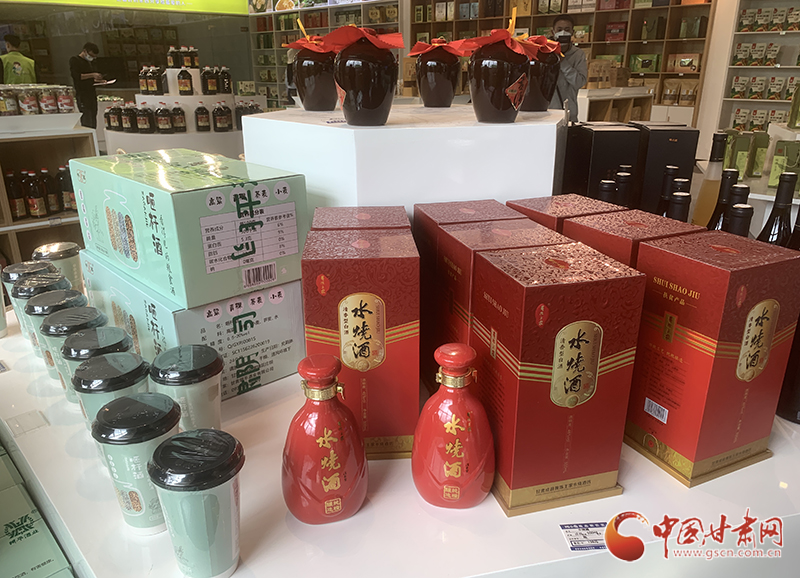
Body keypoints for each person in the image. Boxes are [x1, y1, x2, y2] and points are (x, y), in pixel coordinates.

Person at [549, 14, 588, 123]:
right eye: (559, 29)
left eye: (567, 30)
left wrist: (563, 62)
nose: (563, 33)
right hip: (547, 114)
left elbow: (579, 82)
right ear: (553, 32)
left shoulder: (578, 54)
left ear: (572, 32)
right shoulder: (545, 52)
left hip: (569, 114)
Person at [69, 43, 102, 129]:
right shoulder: (75, 60)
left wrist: (98, 80)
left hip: (91, 93)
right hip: (82, 94)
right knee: (86, 118)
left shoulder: (90, 63)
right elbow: (77, 76)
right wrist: (92, 75)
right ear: (84, 51)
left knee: (93, 117)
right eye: (91, 55)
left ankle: (93, 133)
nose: (92, 58)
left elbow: (90, 78)